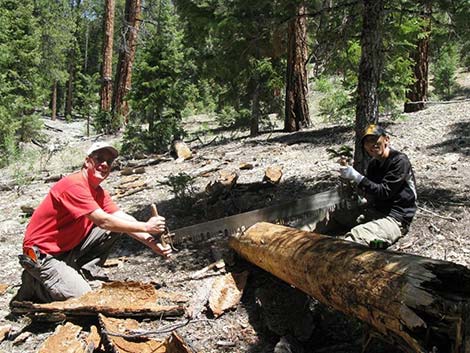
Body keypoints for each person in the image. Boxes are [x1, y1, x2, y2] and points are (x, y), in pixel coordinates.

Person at [12, 142, 172, 303]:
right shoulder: (74, 185)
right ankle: (35, 286)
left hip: (66, 250)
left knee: (117, 226)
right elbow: (103, 221)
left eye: (109, 162)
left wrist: (150, 242)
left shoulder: (97, 192)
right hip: (43, 254)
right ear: (88, 161)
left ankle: (82, 273)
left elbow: (122, 218)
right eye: (99, 159)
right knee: (84, 298)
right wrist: (146, 226)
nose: (104, 164)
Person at [339, 124, 417, 248]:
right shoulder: (373, 164)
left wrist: (356, 177)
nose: (372, 144)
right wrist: (356, 193)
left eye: (375, 139)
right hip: (376, 212)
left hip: (396, 219)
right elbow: (372, 191)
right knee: (336, 211)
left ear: (386, 139)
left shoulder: (399, 160)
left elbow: (384, 192)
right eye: (367, 142)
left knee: (357, 236)